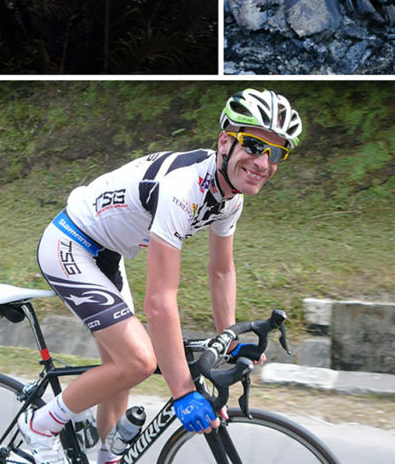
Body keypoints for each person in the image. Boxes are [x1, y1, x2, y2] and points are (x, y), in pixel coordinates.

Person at [16, 88, 303, 464]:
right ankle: (40, 426)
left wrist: (229, 337)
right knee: (138, 360)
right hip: (70, 244)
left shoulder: (231, 197)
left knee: (122, 370)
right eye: (252, 145)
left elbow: (221, 271)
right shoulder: (183, 190)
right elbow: (160, 302)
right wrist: (183, 391)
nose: (262, 162)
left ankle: (105, 456)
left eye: (276, 152)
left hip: (108, 254)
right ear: (225, 142)